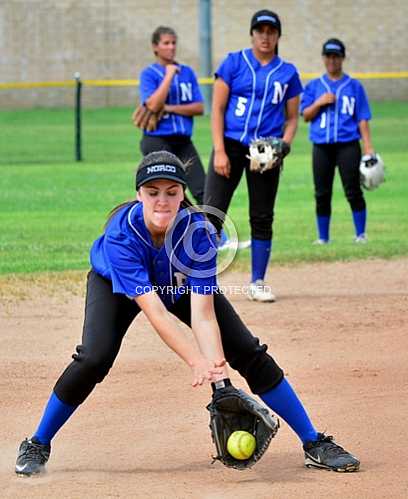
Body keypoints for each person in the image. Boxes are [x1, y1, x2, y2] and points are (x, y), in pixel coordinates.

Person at [15, 151, 360, 476]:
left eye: (171, 191)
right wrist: (196, 361)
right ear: (139, 195)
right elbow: (156, 313)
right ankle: (37, 443)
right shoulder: (122, 236)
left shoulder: (198, 235)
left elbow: (204, 315)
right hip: (117, 286)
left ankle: (314, 441)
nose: (162, 200)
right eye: (152, 192)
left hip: (176, 281)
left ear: (182, 194)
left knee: (248, 352)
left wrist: (220, 384)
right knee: (94, 358)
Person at [203, 9, 303, 302]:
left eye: (271, 31)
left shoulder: (288, 73)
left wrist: (283, 145)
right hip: (231, 145)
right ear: (252, 34)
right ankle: (202, 281)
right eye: (260, 30)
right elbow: (218, 109)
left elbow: (293, 118)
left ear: (278, 36)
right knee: (211, 213)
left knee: (262, 216)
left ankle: (257, 282)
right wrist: (220, 151)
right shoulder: (235, 62)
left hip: (265, 150)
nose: (265, 36)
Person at [300, 38, 375, 244]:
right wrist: (319, 102)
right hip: (321, 146)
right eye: (329, 56)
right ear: (323, 58)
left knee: (352, 189)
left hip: (348, 145)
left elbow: (362, 118)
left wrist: (368, 147)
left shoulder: (354, 86)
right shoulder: (315, 86)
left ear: (342, 58)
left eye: (336, 56)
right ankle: (323, 238)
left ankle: (361, 234)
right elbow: (305, 115)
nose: (332, 60)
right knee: (322, 192)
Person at [134, 25, 206, 205]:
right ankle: (182, 228)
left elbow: (199, 108)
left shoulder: (187, 72)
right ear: (155, 47)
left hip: (183, 141)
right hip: (157, 140)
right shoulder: (149, 74)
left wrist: (169, 108)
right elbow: (153, 104)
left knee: (203, 190)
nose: (171, 47)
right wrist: (169, 75)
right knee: (175, 192)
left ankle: (212, 231)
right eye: (166, 43)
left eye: (174, 43)